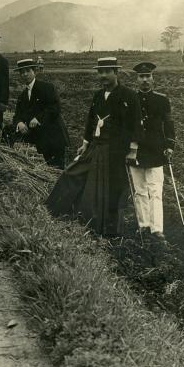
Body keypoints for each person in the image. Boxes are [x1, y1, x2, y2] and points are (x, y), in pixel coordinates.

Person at [45, 56, 142, 236]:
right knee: (71, 173)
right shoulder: (98, 95)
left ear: (116, 72)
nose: (103, 75)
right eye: (100, 72)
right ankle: (56, 212)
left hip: (115, 151)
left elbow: (136, 124)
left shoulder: (129, 95)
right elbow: (90, 122)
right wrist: (84, 144)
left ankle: (107, 229)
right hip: (96, 147)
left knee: (108, 189)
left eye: (107, 71)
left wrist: (132, 150)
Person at [129, 61, 176, 239]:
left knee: (155, 190)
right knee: (140, 190)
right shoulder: (130, 99)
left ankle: (157, 229)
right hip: (135, 150)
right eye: (141, 76)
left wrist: (170, 146)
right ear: (137, 79)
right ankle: (143, 225)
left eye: (148, 76)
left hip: (156, 151)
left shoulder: (162, 100)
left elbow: (169, 125)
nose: (145, 80)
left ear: (152, 78)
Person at [7, 58, 70, 167]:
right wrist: (19, 123)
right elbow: (17, 115)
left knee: (57, 170)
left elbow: (55, 108)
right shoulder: (22, 96)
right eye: (22, 72)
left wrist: (38, 118)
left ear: (34, 71)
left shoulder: (47, 88)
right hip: (39, 140)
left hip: (53, 137)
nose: (25, 74)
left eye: (28, 71)